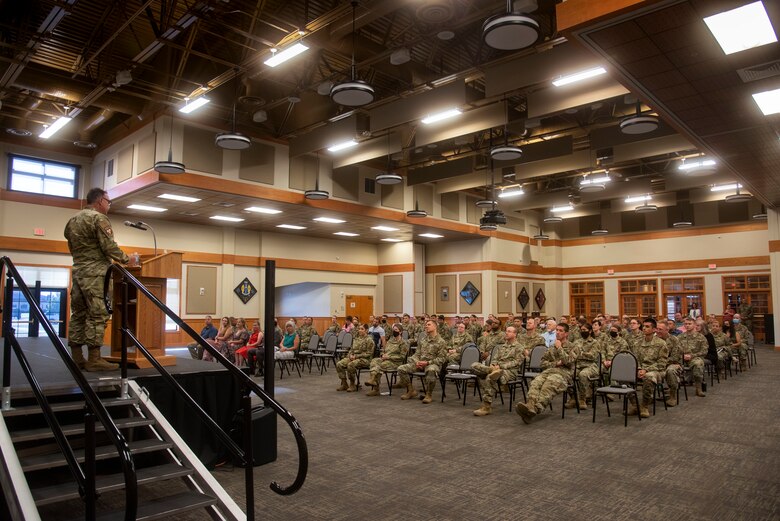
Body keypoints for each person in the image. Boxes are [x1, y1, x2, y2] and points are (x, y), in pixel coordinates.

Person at [64, 187, 129, 371]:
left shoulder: (73, 220)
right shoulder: (98, 218)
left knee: (78, 314)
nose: (109, 205)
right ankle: (94, 359)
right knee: (98, 314)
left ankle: (77, 358)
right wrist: (127, 259)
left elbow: (71, 245)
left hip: (78, 273)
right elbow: (109, 247)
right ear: (100, 201)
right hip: (96, 274)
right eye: (108, 201)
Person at [515, 323, 577, 424]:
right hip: (549, 371)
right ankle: (530, 406)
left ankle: (535, 409)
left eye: (561, 331)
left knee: (547, 386)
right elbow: (542, 363)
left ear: (566, 334)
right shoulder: (552, 347)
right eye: (557, 330)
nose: (558, 332)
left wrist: (560, 348)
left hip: (563, 374)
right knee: (536, 382)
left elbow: (569, 362)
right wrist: (556, 363)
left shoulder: (573, 346)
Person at [472, 326, 522, 416]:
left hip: (509, 371)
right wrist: (494, 365)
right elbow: (494, 358)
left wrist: (501, 366)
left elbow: (517, 362)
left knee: (489, 378)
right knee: (474, 365)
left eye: (509, 331)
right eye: (506, 331)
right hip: (496, 369)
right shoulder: (502, 346)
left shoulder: (519, 347)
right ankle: (492, 370)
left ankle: (486, 407)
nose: (506, 333)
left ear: (515, 334)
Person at [396, 319, 447, 403]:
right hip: (419, 364)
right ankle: (410, 390)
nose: (426, 326)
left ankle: (428, 394)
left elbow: (441, 359)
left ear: (435, 327)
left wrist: (427, 363)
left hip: (432, 364)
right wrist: (416, 362)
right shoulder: (423, 340)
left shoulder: (441, 342)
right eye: (426, 325)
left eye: (429, 324)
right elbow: (417, 354)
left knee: (431, 370)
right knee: (401, 369)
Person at [629, 318, 669, 418]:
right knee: (622, 376)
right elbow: (634, 359)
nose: (644, 328)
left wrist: (646, 370)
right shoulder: (637, 342)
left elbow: (662, 363)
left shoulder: (661, 343)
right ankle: (635, 404)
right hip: (640, 369)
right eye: (644, 326)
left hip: (656, 371)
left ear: (654, 329)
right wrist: (638, 369)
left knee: (649, 377)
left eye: (647, 327)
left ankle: (644, 406)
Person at [364, 323, 409, 397]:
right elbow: (384, 350)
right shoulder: (391, 341)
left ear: (400, 332)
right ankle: (374, 382)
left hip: (395, 363)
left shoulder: (403, 343)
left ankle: (375, 387)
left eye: (396, 330)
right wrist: (382, 355)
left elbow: (402, 357)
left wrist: (388, 357)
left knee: (379, 366)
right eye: (393, 330)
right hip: (386, 360)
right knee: (374, 361)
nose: (394, 331)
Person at [568, 322, 599, 410]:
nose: (582, 331)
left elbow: (592, 356)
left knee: (582, 375)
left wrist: (579, 354)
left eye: (584, 330)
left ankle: (582, 399)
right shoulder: (577, 341)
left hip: (590, 366)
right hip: (578, 365)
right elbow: (571, 352)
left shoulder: (594, 342)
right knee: (567, 375)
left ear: (589, 331)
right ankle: (573, 398)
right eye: (581, 330)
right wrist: (576, 354)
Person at [336, 323, 374, 392]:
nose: (360, 330)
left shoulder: (369, 340)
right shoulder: (356, 339)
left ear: (366, 330)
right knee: (339, 364)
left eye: (362, 329)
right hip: (354, 358)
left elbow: (369, 354)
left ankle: (352, 384)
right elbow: (351, 349)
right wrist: (350, 355)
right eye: (359, 329)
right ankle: (344, 383)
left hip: (365, 360)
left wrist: (356, 356)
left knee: (351, 365)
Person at [677, 317, 708, 397]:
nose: (687, 326)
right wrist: (682, 356)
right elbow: (675, 350)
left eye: (689, 324)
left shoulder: (701, 337)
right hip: (681, 358)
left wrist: (692, 355)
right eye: (686, 324)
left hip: (694, 358)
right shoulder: (680, 337)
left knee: (698, 364)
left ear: (694, 325)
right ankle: (672, 389)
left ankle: (698, 388)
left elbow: (704, 351)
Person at [656, 321, 681, 407]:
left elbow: (675, 357)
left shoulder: (674, 340)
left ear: (667, 330)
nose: (658, 331)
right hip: (656, 363)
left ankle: (672, 396)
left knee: (670, 371)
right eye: (657, 329)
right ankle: (648, 396)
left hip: (672, 363)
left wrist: (661, 362)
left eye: (660, 329)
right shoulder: (654, 339)